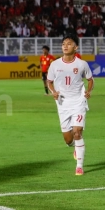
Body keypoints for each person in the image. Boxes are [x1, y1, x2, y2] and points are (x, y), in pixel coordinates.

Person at [47, 34, 94, 176]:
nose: (65, 46)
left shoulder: (82, 64)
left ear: (76, 47)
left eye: (69, 43)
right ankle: (74, 146)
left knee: (77, 132)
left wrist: (88, 91)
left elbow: (90, 80)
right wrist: (53, 91)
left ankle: (79, 166)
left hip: (78, 101)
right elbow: (49, 81)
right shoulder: (55, 64)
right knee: (68, 139)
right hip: (62, 103)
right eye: (63, 44)